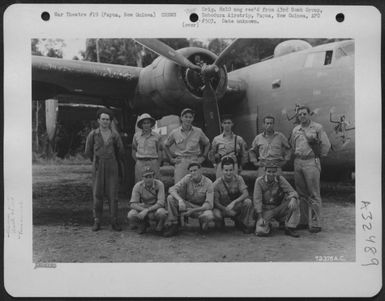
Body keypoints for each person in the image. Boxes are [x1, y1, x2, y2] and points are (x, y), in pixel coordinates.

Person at [290, 106, 331, 233]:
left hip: (311, 161)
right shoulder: (296, 129)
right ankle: (303, 221)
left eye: (304, 114)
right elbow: (293, 144)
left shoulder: (317, 128)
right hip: (298, 162)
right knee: (301, 194)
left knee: (314, 193)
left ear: (309, 115)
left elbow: (326, 144)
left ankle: (316, 223)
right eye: (300, 114)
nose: (302, 116)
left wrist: (318, 156)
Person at [85, 108, 125, 231]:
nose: (105, 121)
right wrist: (96, 161)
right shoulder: (93, 134)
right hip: (98, 165)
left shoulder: (115, 135)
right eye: (103, 119)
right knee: (97, 194)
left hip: (112, 166)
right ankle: (97, 221)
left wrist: (115, 163)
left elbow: (121, 151)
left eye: (107, 119)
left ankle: (114, 221)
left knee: (113, 195)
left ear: (110, 121)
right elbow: (88, 151)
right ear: (98, 120)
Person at [163, 162, 214, 237]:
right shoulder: (188, 178)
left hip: (200, 208)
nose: (193, 173)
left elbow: (208, 205)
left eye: (195, 170)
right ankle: (174, 224)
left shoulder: (208, 183)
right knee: (171, 198)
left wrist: (193, 211)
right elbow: (172, 189)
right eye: (191, 171)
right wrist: (180, 200)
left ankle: (203, 224)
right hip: (188, 205)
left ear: (200, 171)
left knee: (209, 215)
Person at [253, 161, 300, 237]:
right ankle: (268, 225)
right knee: (260, 232)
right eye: (269, 171)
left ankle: (290, 227)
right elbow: (257, 201)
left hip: (278, 208)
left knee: (295, 200)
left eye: (274, 172)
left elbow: (293, 192)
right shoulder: (259, 181)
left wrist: (294, 197)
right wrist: (260, 217)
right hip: (266, 210)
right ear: (265, 171)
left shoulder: (280, 179)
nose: (271, 174)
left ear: (277, 171)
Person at [164, 108, 210, 183]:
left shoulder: (198, 131)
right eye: (186, 117)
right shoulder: (175, 132)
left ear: (193, 119)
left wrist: (203, 157)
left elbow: (207, 143)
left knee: (196, 185)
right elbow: (166, 145)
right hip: (181, 162)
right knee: (180, 186)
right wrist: (171, 159)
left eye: (190, 117)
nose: (188, 119)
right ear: (181, 118)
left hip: (194, 161)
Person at [213, 157, 254, 233]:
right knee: (217, 215)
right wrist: (226, 209)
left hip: (235, 207)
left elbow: (246, 193)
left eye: (231, 170)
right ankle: (221, 223)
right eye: (226, 170)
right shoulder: (216, 184)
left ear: (234, 170)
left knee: (248, 202)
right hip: (223, 208)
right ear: (222, 170)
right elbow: (215, 203)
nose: (229, 173)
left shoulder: (239, 179)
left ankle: (242, 223)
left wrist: (234, 202)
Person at [127, 166, 167, 234]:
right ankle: (142, 223)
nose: (148, 179)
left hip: (155, 207)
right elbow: (132, 203)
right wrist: (143, 210)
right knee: (131, 215)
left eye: (150, 177)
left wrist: (147, 210)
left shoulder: (159, 184)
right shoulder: (138, 185)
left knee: (162, 213)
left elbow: (161, 203)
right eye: (146, 177)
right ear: (142, 178)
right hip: (143, 206)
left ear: (154, 177)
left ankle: (160, 223)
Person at [210, 115, 248, 179]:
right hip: (221, 165)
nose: (227, 125)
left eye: (229, 123)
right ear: (222, 124)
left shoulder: (239, 139)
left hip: (234, 165)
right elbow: (211, 153)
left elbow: (244, 153)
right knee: (220, 184)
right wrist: (214, 164)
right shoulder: (216, 139)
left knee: (233, 185)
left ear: (232, 124)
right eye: (225, 123)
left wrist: (241, 165)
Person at [132, 113, 161, 183]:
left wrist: (157, 164)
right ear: (141, 125)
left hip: (153, 162)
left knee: (154, 182)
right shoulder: (136, 136)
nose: (146, 125)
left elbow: (159, 151)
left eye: (148, 123)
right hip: (140, 162)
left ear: (151, 124)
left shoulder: (157, 136)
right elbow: (133, 149)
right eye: (144, 123)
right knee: (140, 183)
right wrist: (138, 161)